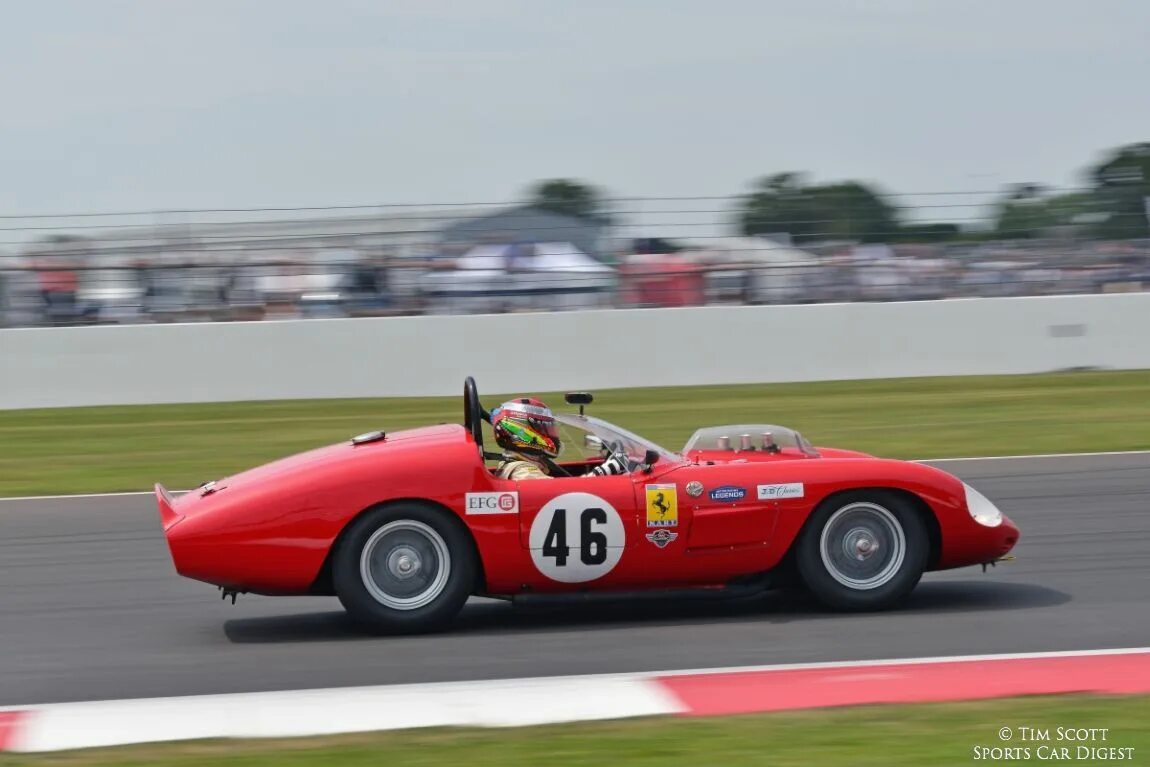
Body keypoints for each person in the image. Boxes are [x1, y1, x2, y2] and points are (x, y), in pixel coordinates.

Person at [491, 398, 629, 480]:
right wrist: (606, 470)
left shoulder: (522, 464)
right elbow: (563, 494)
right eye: (546, 429)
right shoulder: (522, 472)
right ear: (525, 432)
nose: (553, 435)